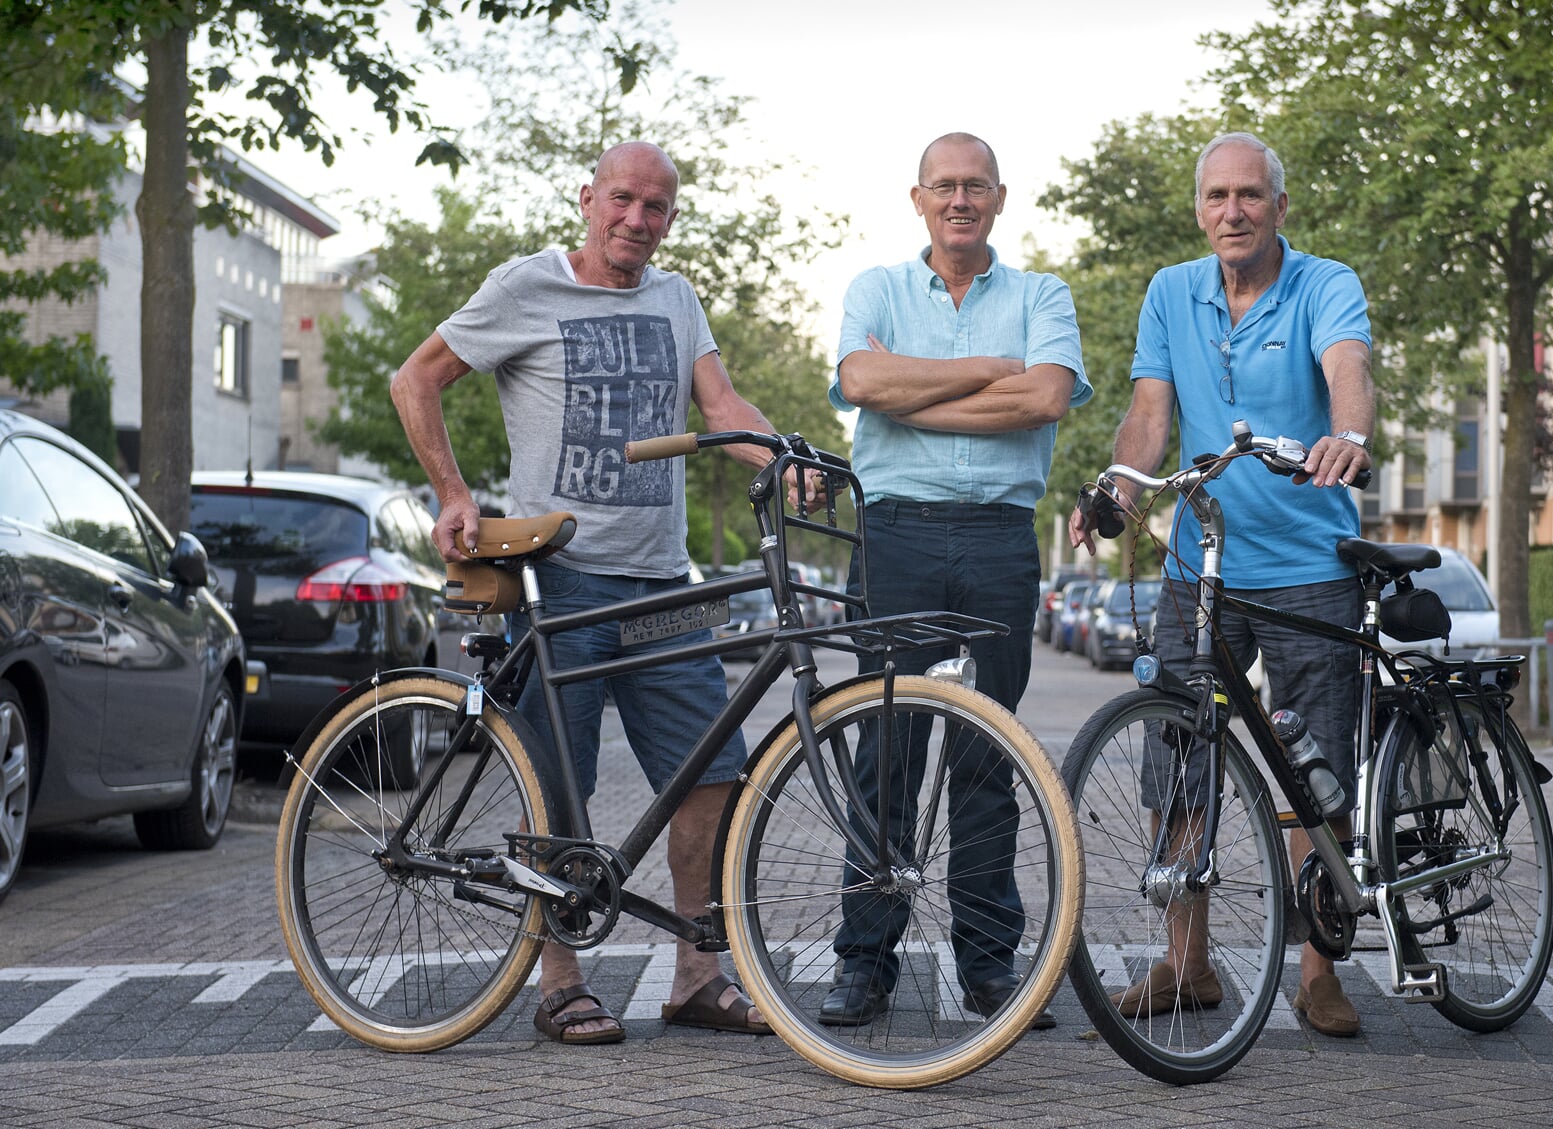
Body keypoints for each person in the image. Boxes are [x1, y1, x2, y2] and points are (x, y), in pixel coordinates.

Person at [391, 141, 792, 1045]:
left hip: (665, 581)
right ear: (587, 200)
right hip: (557, 579)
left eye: (654, 208)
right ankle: (559, 980)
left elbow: (720, 403)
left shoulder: (676, 298)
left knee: (709, 780)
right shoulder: (524, 288)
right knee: (553, 794)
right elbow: (415, 378)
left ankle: (696, 975)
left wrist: (784, 456)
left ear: (669, 220)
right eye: (622, 200)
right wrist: (455, 493)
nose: (635, 221)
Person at [1069, 131, 1375, 1038]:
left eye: (1250, 196)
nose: (1232, 212)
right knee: (1174, 758)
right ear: (1199, 208)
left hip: (1310, 568)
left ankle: (1318, 967)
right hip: (1198, 568)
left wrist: (1348, 436)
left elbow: (1347, 369)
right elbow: (1149, 410)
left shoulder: (1324, 283)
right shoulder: (1171, 291)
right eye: (1216, 197)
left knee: (1313, 772)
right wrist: (1121, 483)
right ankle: (1187, 963)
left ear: (1280, 208)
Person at [823, 132, 1089, 1029]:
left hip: (998, 542)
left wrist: (915, 395)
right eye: (945, 186)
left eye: (975, 185)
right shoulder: (878, 288)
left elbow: (1045, 399)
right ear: (918, 198)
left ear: (1000, 198)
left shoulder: (1042, 294)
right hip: (894, 538)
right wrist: (986, 371)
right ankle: (864, 961)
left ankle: (987, 968)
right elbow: (861, 380)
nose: (960, 199)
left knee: (988, 758)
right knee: (884, 752)